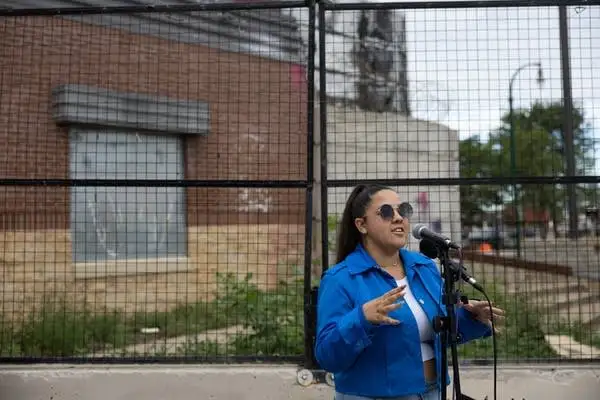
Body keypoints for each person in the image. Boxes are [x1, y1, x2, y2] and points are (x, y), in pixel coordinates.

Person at [315, 184, 505, 400]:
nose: (398, 218)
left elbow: (429, 328)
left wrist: (470, 318)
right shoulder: (341, 279)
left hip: (433, 392)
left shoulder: (424, 267)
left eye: (402, 210)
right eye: (386, 212)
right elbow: (327, 357)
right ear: (361, 225)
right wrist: (361, 319)